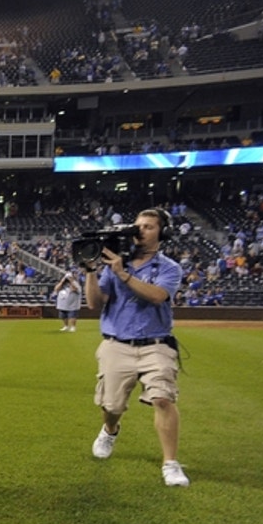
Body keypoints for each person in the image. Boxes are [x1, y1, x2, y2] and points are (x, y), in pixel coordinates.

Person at [83, 208, 189, 487]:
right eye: (138, 225)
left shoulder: (169, 268)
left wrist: (123, 274)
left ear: (162, 233)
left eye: (149, 226)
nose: (141, 230)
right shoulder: (115, 264)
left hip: (156, 343)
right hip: (117, 343)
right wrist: (91, 273)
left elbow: (158, 296)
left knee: (163, 398)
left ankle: (171, 463)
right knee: (111, 405)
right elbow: (95, 303)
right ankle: (110, 429)